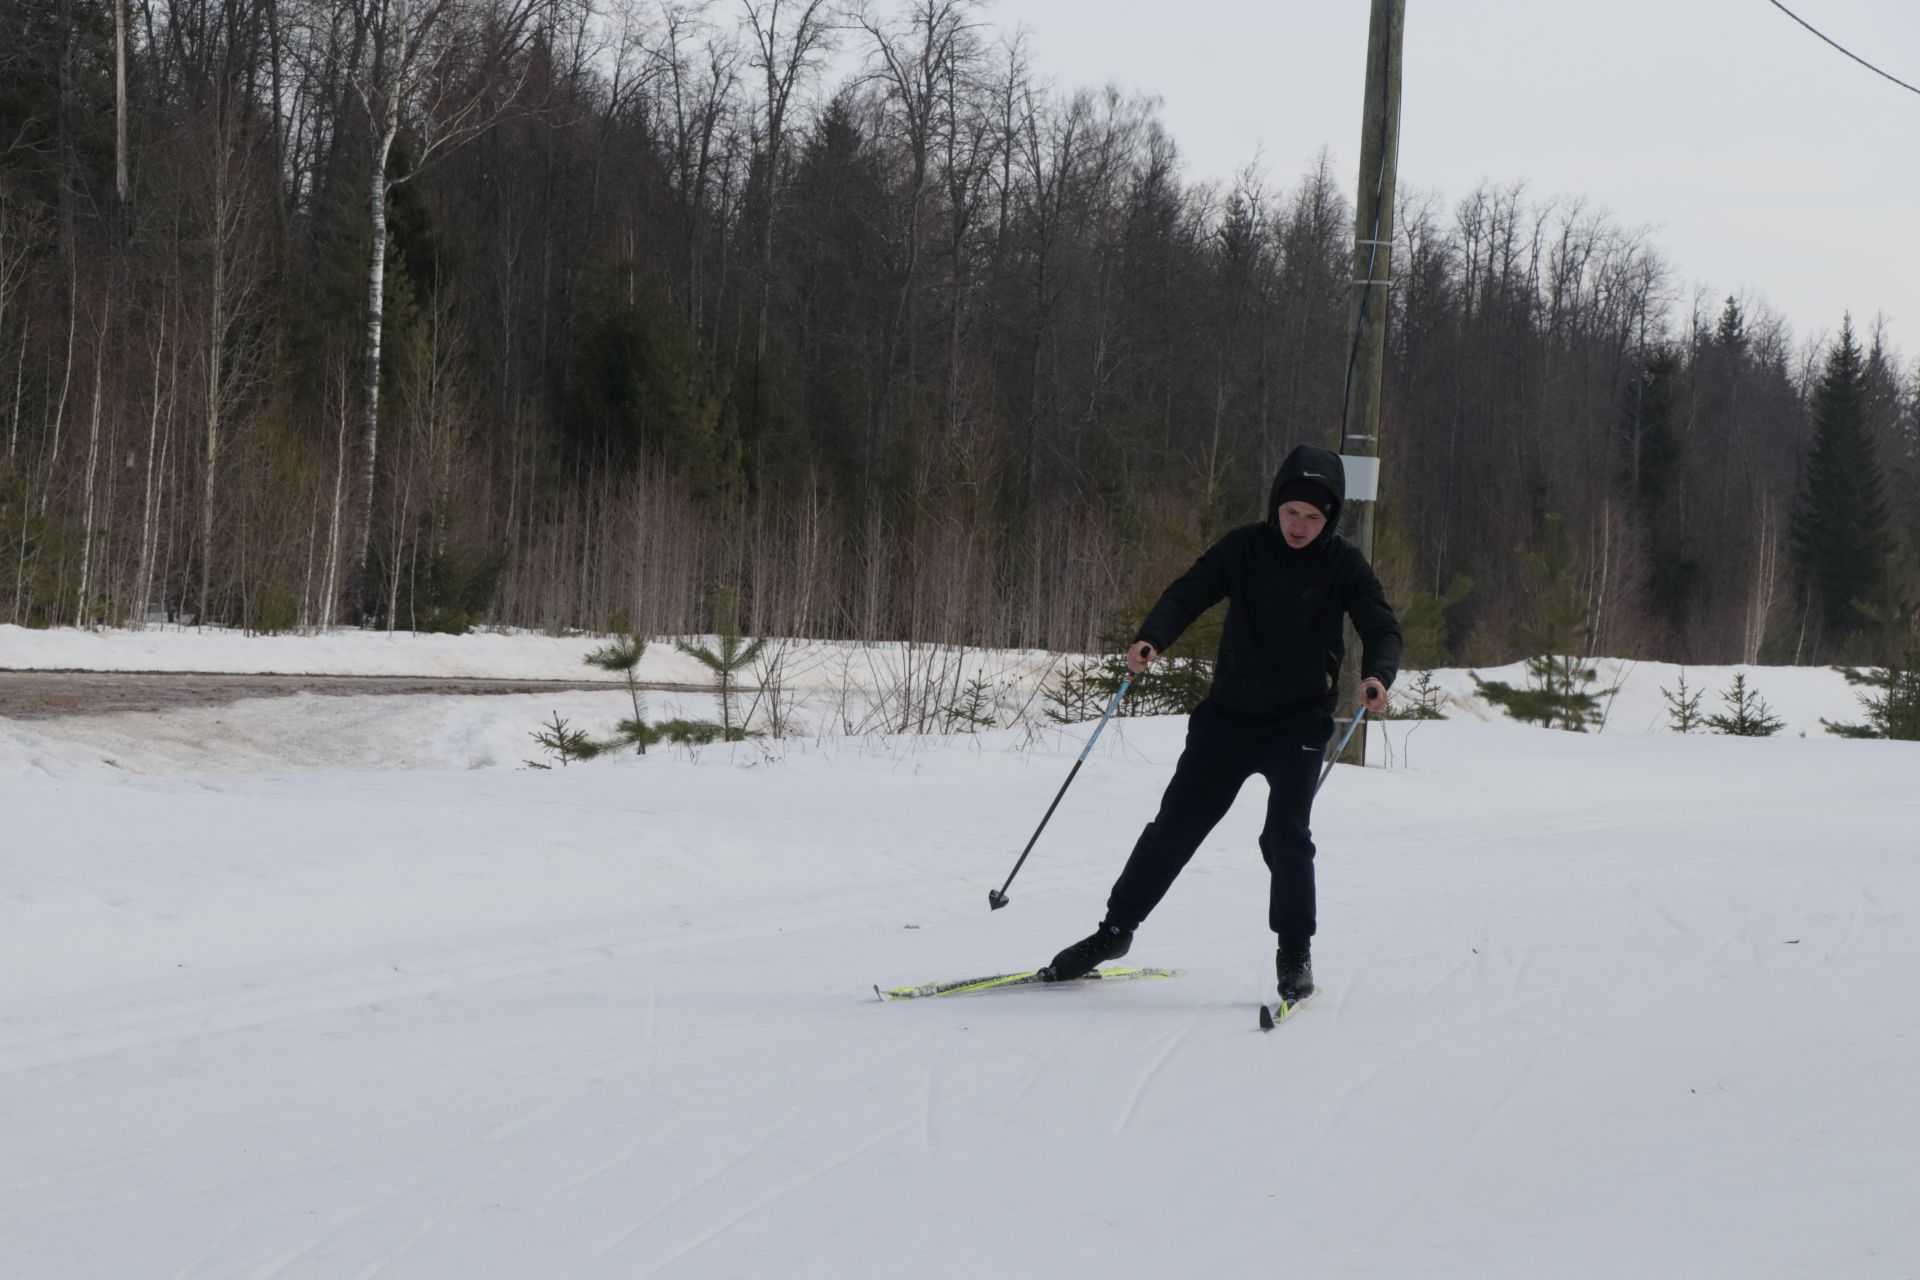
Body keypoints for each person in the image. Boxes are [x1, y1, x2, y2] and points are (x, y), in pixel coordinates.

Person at [1042, 445, 1402, 1005]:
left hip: (1299, 723)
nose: (1300, 525)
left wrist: (1379, 674)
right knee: (1173, 830)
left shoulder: (1343, 565)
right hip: (1228, 720)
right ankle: (1114, 933)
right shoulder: (1245, 547)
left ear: (1331, 518)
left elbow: (1381, 625)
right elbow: (1190, 591)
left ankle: (1294, 952)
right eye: (1292, 512)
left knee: (1286, 836)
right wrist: (1152, 637)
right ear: (1275, 506)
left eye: (1314, 516)